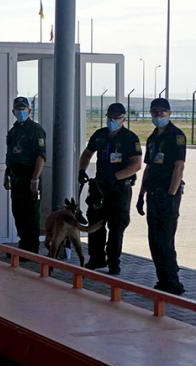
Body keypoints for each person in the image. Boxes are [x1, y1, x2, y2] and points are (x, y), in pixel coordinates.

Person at [78, 102, 142, 275]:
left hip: (119, 189)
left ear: (123, 119)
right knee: (95, 223)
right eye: (110, 118)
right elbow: (87, 153)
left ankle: (114, 262)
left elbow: (136, 165)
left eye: (116, 118)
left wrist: (115, 177)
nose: (112, 121)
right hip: (100, 188)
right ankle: (96, 258)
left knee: (116, 226)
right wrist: (82, 170)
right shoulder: (100, 135)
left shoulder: (130, 138)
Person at [136, 98, 186, 295]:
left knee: (165, 238)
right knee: (154, 239)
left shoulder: (176, 136)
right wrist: (141, 194)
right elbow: (148, 168)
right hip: (153, 193)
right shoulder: (153, 138)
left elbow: (179, 167)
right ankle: (162, 280)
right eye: (154, 112)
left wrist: (170, 196)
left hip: (168, 194)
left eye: (161, 112)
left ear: (169, 113)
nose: (158, 116)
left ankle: (173, 282)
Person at [4, 96, 46, 256]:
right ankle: (24, 244)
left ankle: (31, 249)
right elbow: (10, 156)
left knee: (30, 214)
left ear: (29, 110)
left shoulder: (35, 130)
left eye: (23, 109)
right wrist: (6, 175)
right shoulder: (13, 131)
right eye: (18, 109)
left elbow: (41, 156)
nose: (20, 112)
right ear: (13, 111)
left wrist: (35, 179)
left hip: (30, 177)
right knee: (18, 212)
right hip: (16, 177)